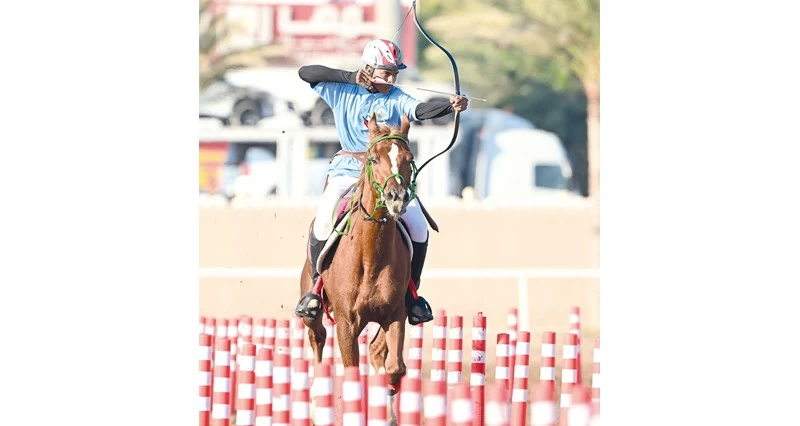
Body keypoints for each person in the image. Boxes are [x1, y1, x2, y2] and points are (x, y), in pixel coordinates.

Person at [293, 38, 469, 325]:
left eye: (394, 73)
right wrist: (351, 77)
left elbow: (420, 111)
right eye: (385, 72)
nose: (391, 78)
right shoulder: (342, 91)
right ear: (368, 68)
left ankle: (411, 296)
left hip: (386, 177)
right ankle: (314, 289)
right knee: (325, 218)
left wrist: (450, 107)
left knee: (419, 227)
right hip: (349, 170)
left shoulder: (398, 97)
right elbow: (306, 72)